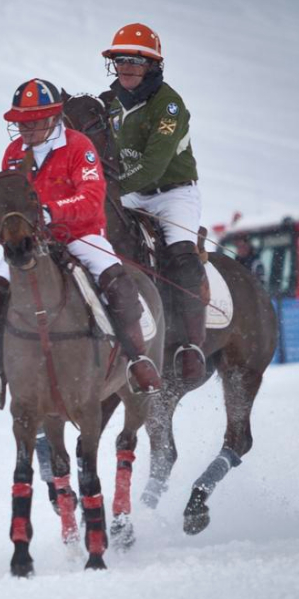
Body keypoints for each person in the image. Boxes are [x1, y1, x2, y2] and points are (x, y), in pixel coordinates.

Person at [0, 78, 162, 409]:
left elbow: (91, 198)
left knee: (118, 282)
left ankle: (138, 361)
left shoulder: (79, 146)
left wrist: (48, 211)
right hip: (31, 241)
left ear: (54, 117)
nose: (26, 129)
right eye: (21, 123)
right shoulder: (14, 154)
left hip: (81, 235)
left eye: (34, 121)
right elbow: (5, 207)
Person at [101, 22, 206, 382]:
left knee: (181, 256)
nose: (126, 67)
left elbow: (152, 166)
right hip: (130, 194)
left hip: (173, 194)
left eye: (135, 60)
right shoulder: (112, 103)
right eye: (120, 60)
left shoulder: (169, 105)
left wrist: (112, 190)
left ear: (152, 66)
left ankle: (192, 345)